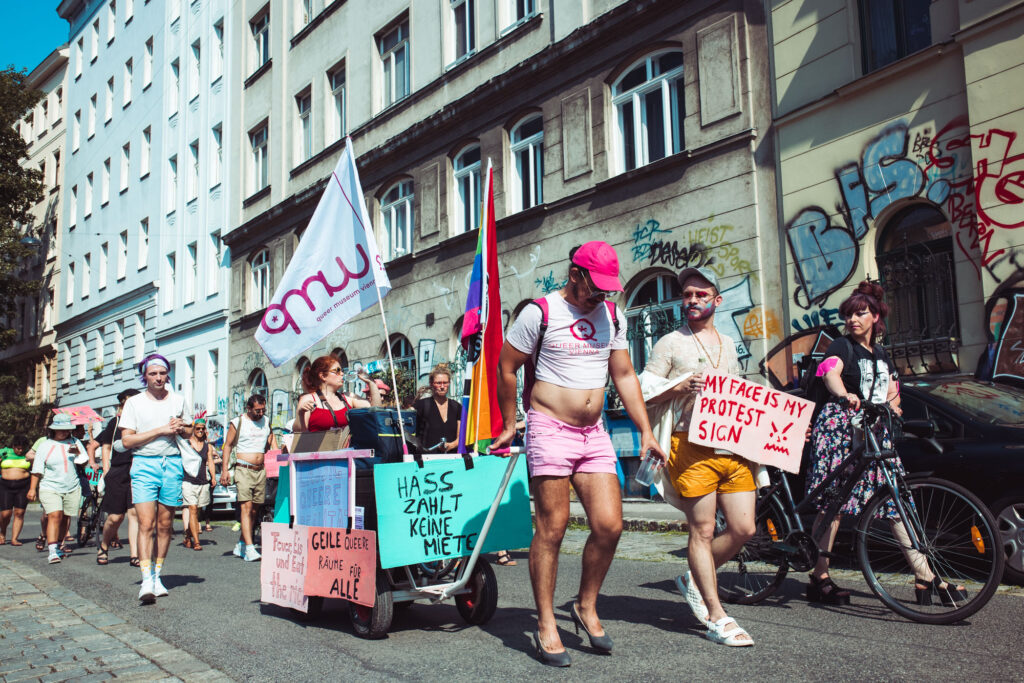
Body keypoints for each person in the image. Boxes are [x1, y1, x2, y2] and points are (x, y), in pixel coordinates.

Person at [490, 241, 667, 666]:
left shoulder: (612, 314)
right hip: (549, 428)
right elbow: (507, 366)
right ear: (575, 274)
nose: (602, 295)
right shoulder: (541, 312)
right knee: (552, 527)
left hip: (594, 433)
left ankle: (586, 605)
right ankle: (546, 621)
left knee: (610, 525)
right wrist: (510, 421)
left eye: (609, 288)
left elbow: (623, 373)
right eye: (596, 286)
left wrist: (645, 430)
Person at [806, 280, 966, 605]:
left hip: (874, 434)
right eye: (849, 315)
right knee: (834, 504)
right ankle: (818, 575)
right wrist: (844, 395)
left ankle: (924, 577)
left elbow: (893, 391)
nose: (853, 320)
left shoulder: (881, 355)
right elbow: (830, 372)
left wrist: (894, 407)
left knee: (895, 500)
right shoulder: (842, 346)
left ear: (876, 316)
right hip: (839, 430)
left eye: (860, 314)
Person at [643, 266, 755, 647]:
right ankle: (716, 615)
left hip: (732, 447)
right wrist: (680, 385)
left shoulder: (729, 340)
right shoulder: (669, 343)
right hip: (689, 446)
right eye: (686, 295)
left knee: (744, 529)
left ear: (716, 300)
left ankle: (695, 574)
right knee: (702, 530)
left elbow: (742, 392)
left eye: (699, 295)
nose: (691, 301)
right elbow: (643, 390)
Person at [120, 353, 193, 603]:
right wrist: (161, 430)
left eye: (162, 373)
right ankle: (146, 580)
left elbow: (191, 429)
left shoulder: (179, 400)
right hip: (143, 464)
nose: (158, 378)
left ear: (167, 374)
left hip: (172, 464)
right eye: (153, 373)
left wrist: (182, 427)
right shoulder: (134, 403)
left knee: (165, 525)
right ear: (145, 376)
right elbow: (127, 440)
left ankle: (158, 575)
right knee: (146, 524)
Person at [220, 396, 277, 561]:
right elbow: (228, 445)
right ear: (248, 408)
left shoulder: (266, 421)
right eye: (257, 410)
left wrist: (274, 452)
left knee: (255, 509)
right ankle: (250, 549)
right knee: (246, 507)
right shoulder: (238, 422)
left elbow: (270, 438)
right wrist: (225, 470)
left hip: (261, 470)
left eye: (263, 410)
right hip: (243, 469)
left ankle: (241, 543)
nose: (260, 413)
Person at [27, 414, 88, 564]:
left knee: (65, 517)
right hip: (50, 486)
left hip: (71, 486)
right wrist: (32, 489)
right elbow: (37, 469)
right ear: (53, 430)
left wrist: (77, 453)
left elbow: (82, 461)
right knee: (54, 515)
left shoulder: (74, 442)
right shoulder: (45, 445)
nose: (65, 432)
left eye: (67, 429)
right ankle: (52, 550)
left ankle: (59, 545)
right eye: (61, 430)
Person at [96, 388, 142, 566]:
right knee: (116, 517)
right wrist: (106, 470)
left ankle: (134, 554)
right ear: (122, 404)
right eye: (126, 403)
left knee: (134, 514)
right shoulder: (115, 423)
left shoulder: (142, 423)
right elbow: (106, 446)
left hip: (137, 468)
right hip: (118, 471)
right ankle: (104, 545)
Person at [294, 355, 383, 434]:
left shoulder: (348, 397)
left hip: (348, 451)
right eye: (337, 371)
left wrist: (371, 382)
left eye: (341, 370)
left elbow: (376, 410)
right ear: (323, 376)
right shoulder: (308, 399)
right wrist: (301, 414)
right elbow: (298, 433)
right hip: (320, 452)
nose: (342, 374)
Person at [182, 418, 216, 551]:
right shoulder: (187, 444)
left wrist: (213, 477)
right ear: (193, 429)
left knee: (198, 511)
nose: (200, 431)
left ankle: (188, 535)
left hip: (202, 481)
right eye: (198, 428)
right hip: (188, 481)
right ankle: (196, 542)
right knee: (193, 509)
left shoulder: (208, 446)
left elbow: (210, 462)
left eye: (203, 428)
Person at [413, 364, 462, 453]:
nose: (442, 387)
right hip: (427, 460)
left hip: (452, 459)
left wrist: (450, 445)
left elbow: (461, 437)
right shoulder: (421, 406)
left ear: (449, 383)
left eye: (445, 383)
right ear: (431, 383)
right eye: (438, 383)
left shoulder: (457, 407)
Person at [1, 435, 33, 545]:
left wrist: (33, 489)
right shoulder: (4, 452)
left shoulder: (29, 454)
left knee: (19, 512)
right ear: (13, 446)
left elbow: (35, 471)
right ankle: (2, 533)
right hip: (5, 485)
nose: (20, 451)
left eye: (22, 448)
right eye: (17, 448)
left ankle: (14, 538)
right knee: (5, 514)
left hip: (23, 485)